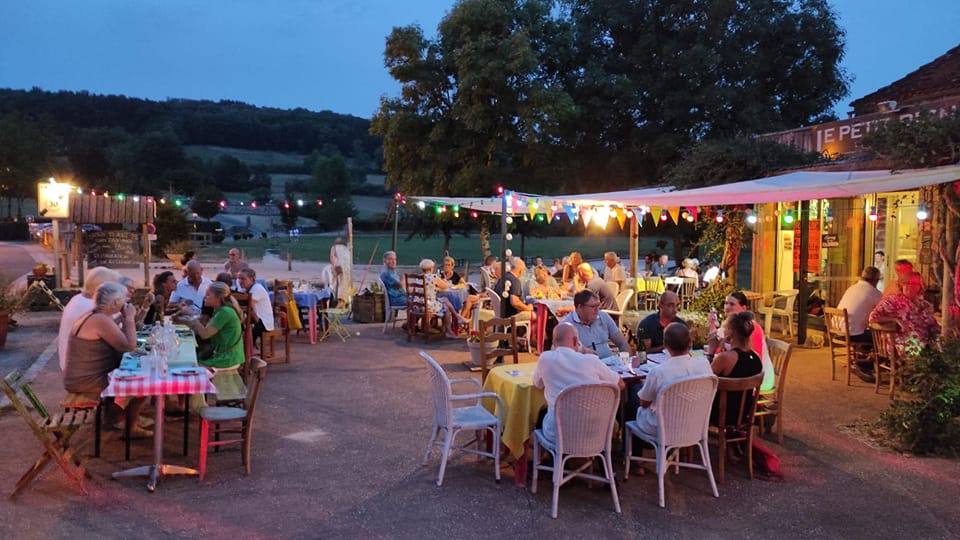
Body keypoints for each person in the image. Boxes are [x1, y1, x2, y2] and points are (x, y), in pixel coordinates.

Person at [63, 282, 150, 438]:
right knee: (141, 386)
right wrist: (129, 318)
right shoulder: (100, 320)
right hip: (86, 381)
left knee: (134, 378)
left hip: (79, 377)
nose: (126, 303)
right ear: (116, 303)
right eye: (124, 300)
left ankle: (115, 417)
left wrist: (131, 316)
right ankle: (127, 425)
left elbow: (123, 335)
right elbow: (129, 346)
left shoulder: (95, 316)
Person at [532, 322, 624, 445]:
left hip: (559, 435)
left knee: (542, 416)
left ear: (553, 343)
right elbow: (620, 384)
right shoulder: (592, 361)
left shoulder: (545, 359)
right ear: (576, 341)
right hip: (595, 433)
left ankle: (546, 455)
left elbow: (537, 384)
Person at [633, 323, 712, 437]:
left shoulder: (659, 372)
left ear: (665, 345)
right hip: (696, 423)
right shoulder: (704, 364)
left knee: (635, 400)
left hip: (664, 427)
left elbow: (644, 403)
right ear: (690, 342)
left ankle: (636, 446)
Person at [707, 292, 775, 392]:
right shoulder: (734, 328)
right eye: (726, 303)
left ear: (743, 308)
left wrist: (711, 353)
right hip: (745, 379)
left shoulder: (751, 328)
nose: (727, 307)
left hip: (756, 380)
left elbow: (707, 377)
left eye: (732, 304)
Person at [58, 266, 121, 372]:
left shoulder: (78, 299)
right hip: (85, 371)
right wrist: (129, 317)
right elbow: (124, 343)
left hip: (71, 366)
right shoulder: (93, 307)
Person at [869, 271, 940, 358]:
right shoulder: (892, 300)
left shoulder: (926, 305)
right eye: (905, 283)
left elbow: (933, 326)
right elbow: (873, 317)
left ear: (920, 286)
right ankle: (921, 362)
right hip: (899, 342)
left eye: (912, 283)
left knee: (943, 345)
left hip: (924, 341)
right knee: (920, 346)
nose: (908, 286)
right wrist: (896, 320)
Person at [710, 311, 763, 425]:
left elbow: (705, 380)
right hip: (744, 413)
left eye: (725, 327)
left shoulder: (725, 358)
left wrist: (712, 351)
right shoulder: (756, 358)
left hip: (721, 413)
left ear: (730, 332)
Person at [181, 282, 245, 370]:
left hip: (228, 358)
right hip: (223, 355)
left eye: (208, 294)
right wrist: (184, 321)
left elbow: (205, 334)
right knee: (189, 360)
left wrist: (192, 318)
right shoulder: (220, 310)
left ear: (218, 297)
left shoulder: (225, 312)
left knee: (188, 367)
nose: (204, 297)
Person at [559, 290, 629, 359]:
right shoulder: (567, 326)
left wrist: (626, 361)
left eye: (598, 306)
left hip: (608, 361)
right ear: (580, 307)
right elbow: (565, 356)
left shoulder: (603, 316)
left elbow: (622, 342)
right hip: (584, 364)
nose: (597, 310)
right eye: (593, 307)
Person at [417, 259, 468, 338]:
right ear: (431, 268)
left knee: (444, 299)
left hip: (417, 305)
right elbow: (445, 286)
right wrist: (444, 282)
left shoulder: (418, 277)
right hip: (427, 306)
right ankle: (449, 331)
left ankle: (457, 317)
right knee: (446, 308)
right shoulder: (433, 277)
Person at [494, 257, 536, 323]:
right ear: (521, 270)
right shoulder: (514, 281)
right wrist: (527, 308)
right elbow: (515, 302)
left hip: (500, 312)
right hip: (510, 315)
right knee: (535, 315)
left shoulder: (503, 277)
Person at [237, 268, 274, 342]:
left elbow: (248, 306)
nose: (240, 281)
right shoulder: (244, 289)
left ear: (251, 279)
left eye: (243, 279)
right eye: (239, 278)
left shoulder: (257, 288)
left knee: (243, 333)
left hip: (264, 323)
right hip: (254, 320)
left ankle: (246, 348)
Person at [330, 237, 352, 306]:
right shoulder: (346, 248)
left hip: (340, 267)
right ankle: (343, 300)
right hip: (347, 269)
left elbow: (332, 257)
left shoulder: (334, 247)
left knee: (339, 284)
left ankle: (340, 301)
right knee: (344, 284)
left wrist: (333, 266)